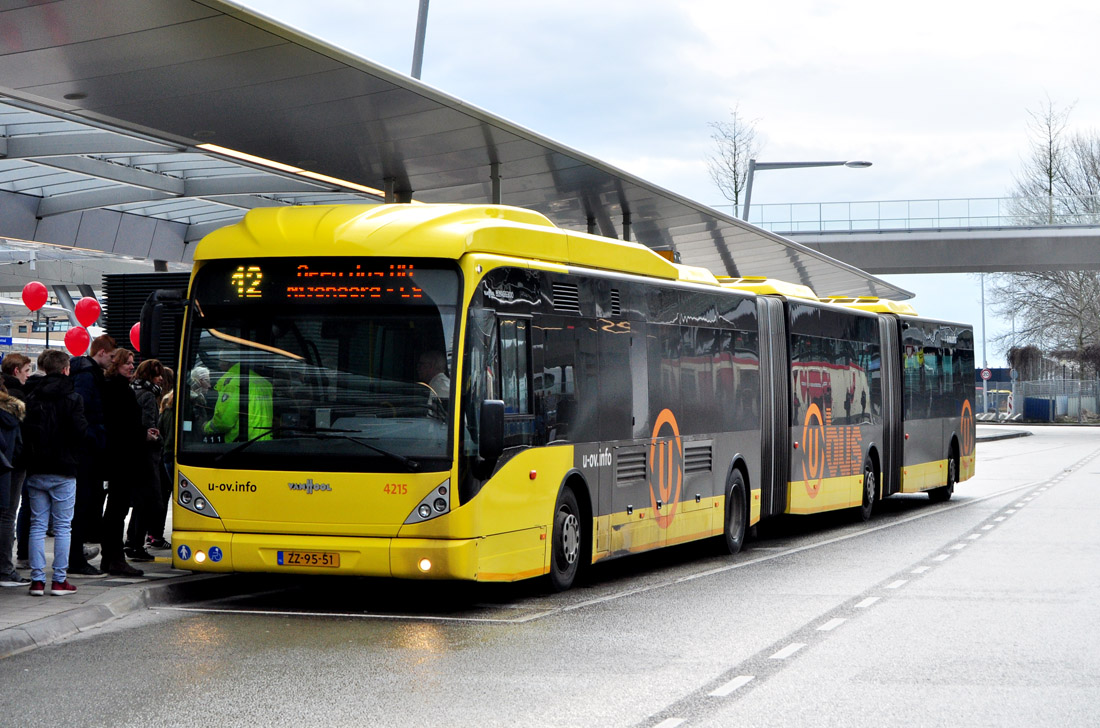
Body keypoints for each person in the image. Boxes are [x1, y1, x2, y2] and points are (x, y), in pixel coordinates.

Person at [23, 349, 87, 596]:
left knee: (37, 525)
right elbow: (80, 431)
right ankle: (59, 580)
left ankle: (37, 580)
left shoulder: (32, 395)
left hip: (37, 466)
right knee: (63, 527)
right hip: (64, 467)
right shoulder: (72, 397)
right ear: (65, 369)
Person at [67, 334, 116, 577]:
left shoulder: (86, 373)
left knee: (82, 505)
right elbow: (84, 410)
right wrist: (95, 439)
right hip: (87, 452)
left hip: (86, 450)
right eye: (112, 356)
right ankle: (75, 559)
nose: (113, 361)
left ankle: (75, 556)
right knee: (82, 505)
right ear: (101, 352)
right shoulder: (88, 376)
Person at [99, 348, 148, 577]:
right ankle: (115, 559)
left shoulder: (115, 387)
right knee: (117, 511)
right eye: (127, 363)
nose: (131, 366)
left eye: (132, 362)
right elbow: (123, 427)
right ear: (115, 364)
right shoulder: (118, 389)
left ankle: (111, 558)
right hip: (121, 458)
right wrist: (143, 435)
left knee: (115, 511)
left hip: (118, 456)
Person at [128, 358, 166, 555]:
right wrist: (160, 441)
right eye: (157, 375)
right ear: (148, 377)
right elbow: (150, 429)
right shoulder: (149, 396)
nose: (160, 379)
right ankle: (136, 544)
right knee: (149, 501)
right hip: (147, 457)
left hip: (132, 454)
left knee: (139, 501)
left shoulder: (132, 390)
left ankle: (131, 541)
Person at [2, 352, 34, 576]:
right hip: (11, 464)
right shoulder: (16, 400)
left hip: (7, 461)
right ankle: (5, 567)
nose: (28, 376)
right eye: (26, 371)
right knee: (8, 514)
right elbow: (20, 437)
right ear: (16, 372)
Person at [203, 362, 273, 442]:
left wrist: (206, 427)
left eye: (221, 361)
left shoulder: (233, 383)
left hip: (243, 444)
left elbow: (224, 422)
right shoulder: (264, 382)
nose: (218, 364)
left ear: (228, 363)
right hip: (265, 441)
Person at [0, 378, 25, 587]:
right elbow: (17, 447)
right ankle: (5, 570)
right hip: (10, 470)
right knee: (7, 517)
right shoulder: (12, 412)